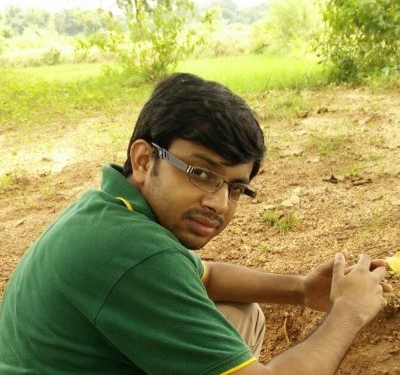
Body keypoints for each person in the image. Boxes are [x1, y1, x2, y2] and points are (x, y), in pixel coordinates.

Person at [0, 73, 391, 375]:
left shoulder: (109, 208)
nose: (218, 203)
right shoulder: (135, 253)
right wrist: (349, 312)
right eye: (201, 173)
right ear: (143, 160)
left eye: (236, 188)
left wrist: (303, 290)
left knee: (242, 314)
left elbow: (204, 276)